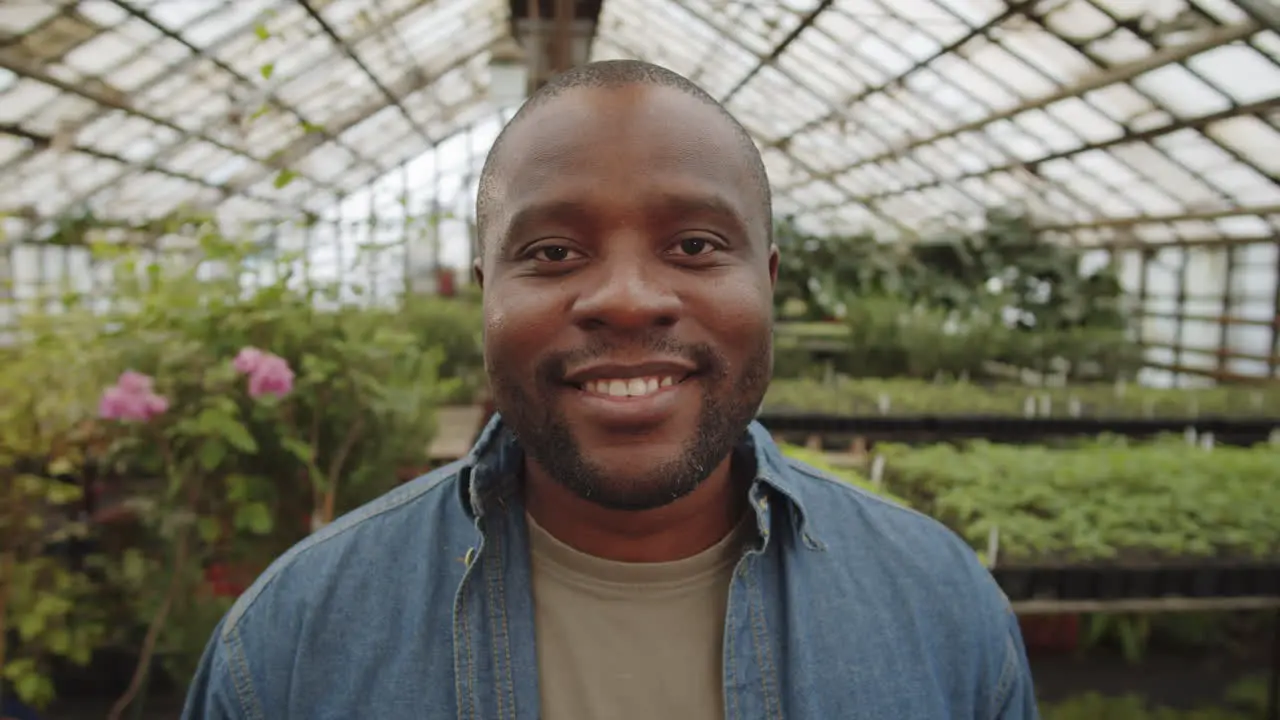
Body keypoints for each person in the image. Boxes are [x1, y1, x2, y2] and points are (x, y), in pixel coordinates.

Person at [181, 59, 1038, 719]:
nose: (627, 298)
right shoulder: (292, 646)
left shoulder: (941, 614)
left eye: (696, 244)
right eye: (552, 253)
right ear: (485, 293)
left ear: (768, 282)